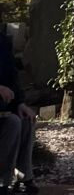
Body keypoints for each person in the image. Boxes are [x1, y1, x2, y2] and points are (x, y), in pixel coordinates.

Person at [0, 25, 36, 195]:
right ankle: (3, 181)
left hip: (3, 105)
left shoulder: (2, 42)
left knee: (26, 120)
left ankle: (24, 177)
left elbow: (12, 77)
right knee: (13, 123)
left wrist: (20, 103)